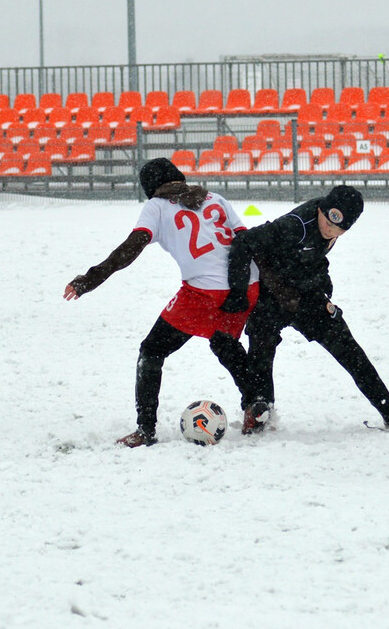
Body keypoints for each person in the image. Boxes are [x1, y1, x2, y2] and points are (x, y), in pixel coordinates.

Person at [64, 158, 261, 447]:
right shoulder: (215, 197)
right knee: (224, 342)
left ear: (150, 189)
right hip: (247, 285)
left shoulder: (157, 206)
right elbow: (246, 242)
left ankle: (145, 430)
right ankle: (255, 405)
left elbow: (130, 248)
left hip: (204, 292)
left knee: (151, 351)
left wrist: (90, 279)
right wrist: (243, 289)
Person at [224, 185, 389, 431]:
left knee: (350, 351)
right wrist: (238, 291)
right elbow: (243, 242)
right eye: (328, 221)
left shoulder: (332, 228)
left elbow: (315, 258)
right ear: (321, 209)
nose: (330, 229)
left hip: (306, 296)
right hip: (271, 297)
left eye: (339, 228)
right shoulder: (294, 225)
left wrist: (325, 292)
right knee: (261, 351)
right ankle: (260, 415)